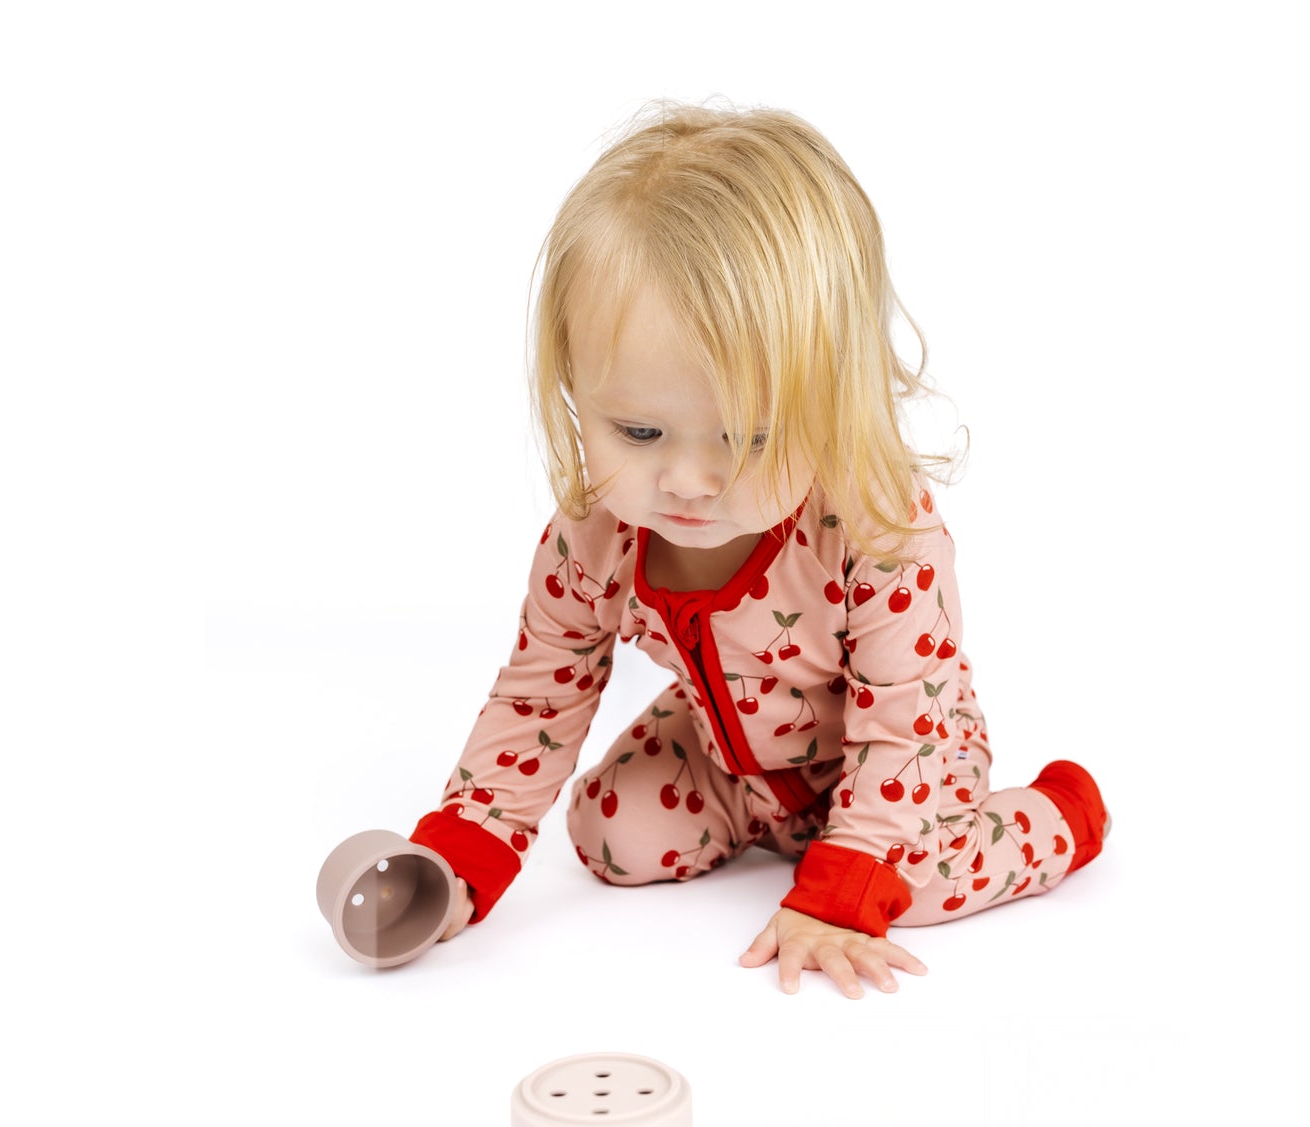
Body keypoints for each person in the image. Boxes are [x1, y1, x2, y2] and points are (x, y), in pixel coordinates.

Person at [410, 103, 1108, 998]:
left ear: (833, 397)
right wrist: (460, 855)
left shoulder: (878, 527)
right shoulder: (595, 534)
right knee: (610, 836)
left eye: (745, 438)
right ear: (573, 388)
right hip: (730, 755)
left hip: (908, 749)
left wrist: (843, 879)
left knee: (912, 884)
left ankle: (1060, 815)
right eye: (639, 428)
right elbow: (540, 688)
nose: (688, 482)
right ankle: (789, 832)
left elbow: (903, 713)